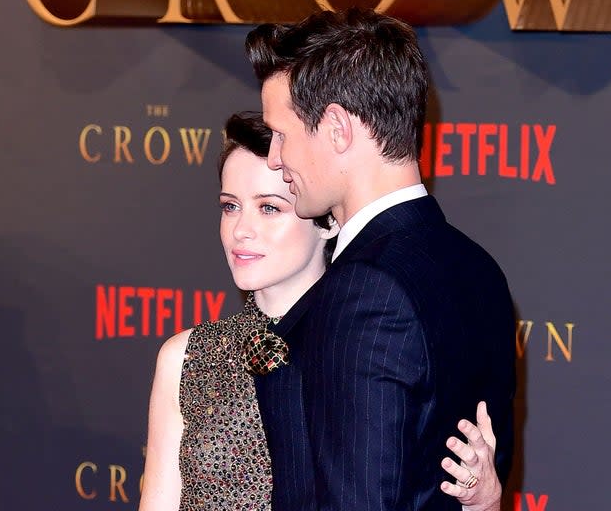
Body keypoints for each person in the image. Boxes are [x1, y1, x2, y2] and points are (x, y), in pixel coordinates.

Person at [137, 112, 503, 511]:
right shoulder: (187, 357)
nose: (241, 229)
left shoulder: (370, 346)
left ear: (326, 222)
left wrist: (484, 503)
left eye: (269, 208)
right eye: (230, 207)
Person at [246, 8, 517, 511]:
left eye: (281, 133)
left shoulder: (365, 290)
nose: (276, 158)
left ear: (336, 129)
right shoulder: (478, 268)